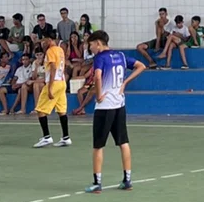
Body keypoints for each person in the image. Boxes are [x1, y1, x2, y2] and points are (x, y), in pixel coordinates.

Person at [85, 30, 146, 193]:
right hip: (119, 105)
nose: (90, 48)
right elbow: (141, 66)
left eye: (90, 44)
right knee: (123, 142)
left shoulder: (99, 58)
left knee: (98, 145)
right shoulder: (120, 55)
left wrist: (98, 96)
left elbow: (97, 77)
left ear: (98, 43)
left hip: (105, 107)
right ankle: (127, 180)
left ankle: (97, 183)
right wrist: (125, 82)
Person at [33, 33, 72, 148]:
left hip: (54, 83)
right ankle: (66, 137)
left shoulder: (50, 51)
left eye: (44, 41)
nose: (42, 44)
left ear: (49, 40)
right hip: (62, 82)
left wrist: (49, 87)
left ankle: (47, 137)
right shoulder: (60, 50)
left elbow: (53, 67)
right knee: (61, 111)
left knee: (40, 110)